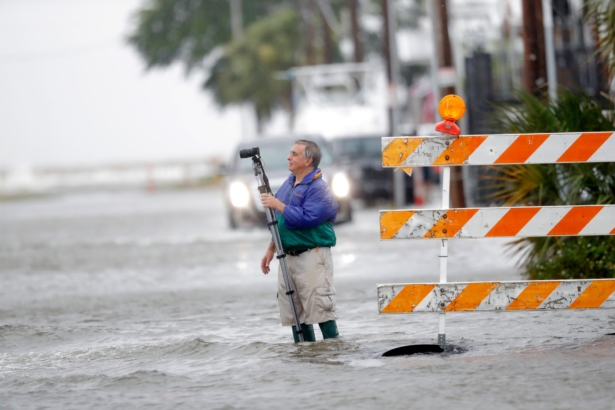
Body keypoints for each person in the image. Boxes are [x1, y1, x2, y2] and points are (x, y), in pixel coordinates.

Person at [260, 139, 339, 342]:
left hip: (312, 255)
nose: (289, 157)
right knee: (296, 315)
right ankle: (304, 360)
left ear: (308, 160)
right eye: (290, 153)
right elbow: (280, 221)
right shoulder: (288, 184)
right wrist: (271, 248)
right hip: (288, 256)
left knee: (321, 311)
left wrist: (278, 204)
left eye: (295, 154)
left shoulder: (319, 189)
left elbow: (305, 219)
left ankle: (333, 354)